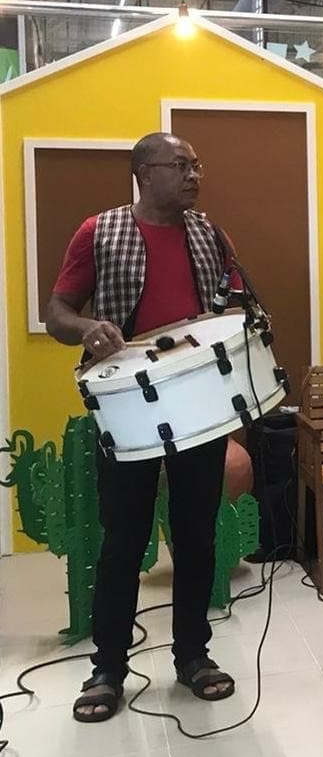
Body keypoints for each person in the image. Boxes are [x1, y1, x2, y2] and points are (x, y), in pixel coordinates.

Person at [46, 132, 240, 722]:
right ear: (144, 172)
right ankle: (108, 668)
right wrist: (87, 329)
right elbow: (56, 314)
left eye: (196, 164)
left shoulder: (210, 234)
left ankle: (193, 655)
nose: (193, 175)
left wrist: (233, 321)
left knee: (197, 534)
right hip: (127, 405)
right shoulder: (99, 231)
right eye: (181, 165)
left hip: (198, 403)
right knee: (123, 539)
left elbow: (233, 305)